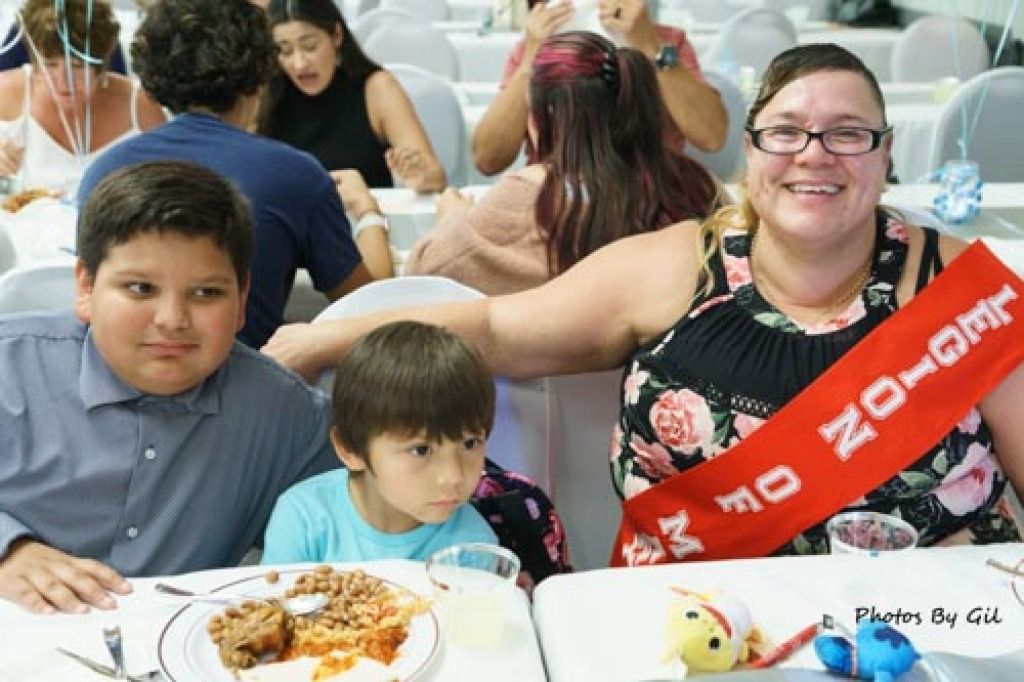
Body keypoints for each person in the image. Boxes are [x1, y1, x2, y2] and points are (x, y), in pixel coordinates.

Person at [264, 44, 1024, 565]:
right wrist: (322, 340)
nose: (815, 154)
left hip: (927, 629)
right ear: (751, 153)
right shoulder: (671, 266)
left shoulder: (969, 292)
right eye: (786, 132)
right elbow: (493, 328)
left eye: (848, 134)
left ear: (888, 154)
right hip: (689, 623)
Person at [0, 159, 339, 615]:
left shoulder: (286, 414)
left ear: (241, 303)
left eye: (206, 294)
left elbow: (358, 521)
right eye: (140, 288)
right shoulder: (10, 366)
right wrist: (10, 550)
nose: (172, 320)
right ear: (85, 287)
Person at [77, 0, 382, 350]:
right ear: (259, 77)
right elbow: (365, 303)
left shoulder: (103, 171)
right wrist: (369, 213)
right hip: (249, 387)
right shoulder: (296, 176)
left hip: (126, 382)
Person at [406, 31, 719, 295]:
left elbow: (425, 275)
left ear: (541, 118)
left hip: (538, 366)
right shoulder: (694, 186)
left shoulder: (525, 197)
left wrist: (453, 219)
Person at [262, 321, 497, 564]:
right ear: (350, 449)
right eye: (421, 450)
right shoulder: (303, 517)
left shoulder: (474, 547)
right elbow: (272, 600)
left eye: (470, 444)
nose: (454, 476)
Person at [471, 0, 727, 177]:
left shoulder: (667, 41)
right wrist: (530, 58)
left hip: (650, 198)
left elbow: (712, 137)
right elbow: (488, 159)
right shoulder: (531, 49)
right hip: (555, 198)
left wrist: (651, 46)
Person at [258, 0, 445, 193]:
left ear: (337, 35)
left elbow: (435, 176)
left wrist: (421, 175)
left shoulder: (377, 89)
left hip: (366, 218)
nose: (299, 63)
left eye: (310, 47)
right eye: (285, 51)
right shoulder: (265, 93)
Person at [0, 0, 164, 197]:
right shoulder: (7, 92)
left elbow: (171, 187)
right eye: (50, 64)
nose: (63, 81)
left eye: (78, 66)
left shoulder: (140, 107)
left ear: (102, 64)